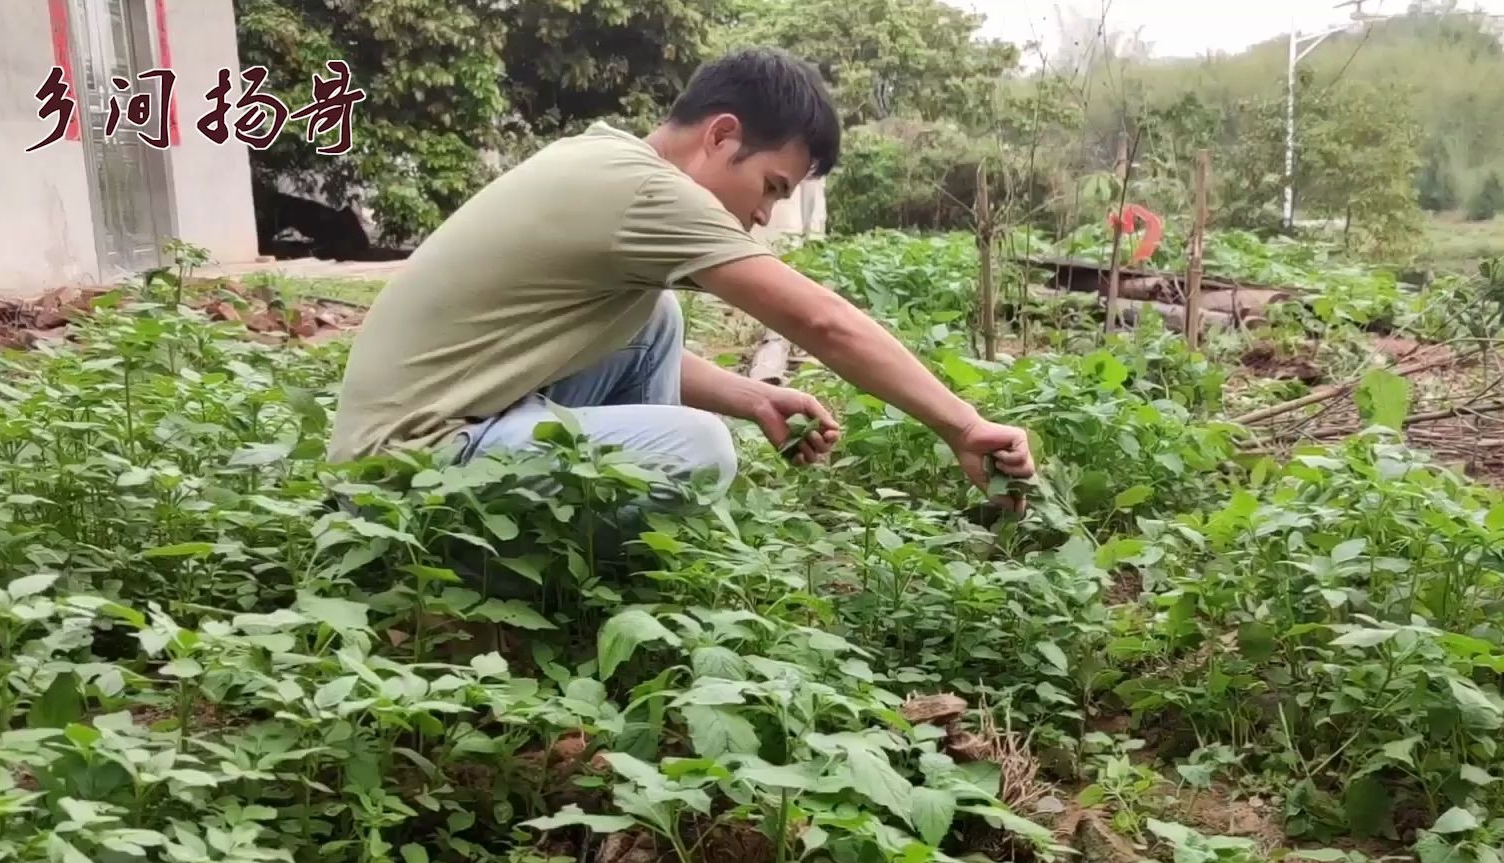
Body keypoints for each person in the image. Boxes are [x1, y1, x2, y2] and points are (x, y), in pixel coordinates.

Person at [327, 46, 1034, 527]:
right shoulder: (647, 194)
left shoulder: (603, 159)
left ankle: (613, 546)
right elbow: (823, 323)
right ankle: (576, 578)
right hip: (403, 482)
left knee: (655, 316)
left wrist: (753, 395)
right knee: (697, 453)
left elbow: (601, 336)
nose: (763, 214)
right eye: (771, 187)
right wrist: (963, 426)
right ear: (722, 136)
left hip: (419, 443)